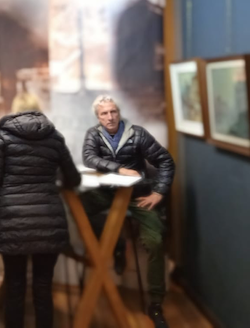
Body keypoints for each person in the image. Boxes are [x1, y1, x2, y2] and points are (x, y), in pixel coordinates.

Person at [82, 95, 175, 328]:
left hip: (136, 196)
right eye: (104, 113)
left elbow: (165, 161)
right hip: (107, 193)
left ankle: (156, 304)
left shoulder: (138, 134)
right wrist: (119, 169)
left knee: (155, 242)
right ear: (98, 117)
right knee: (80, 208)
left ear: (119, 112)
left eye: (113, 111)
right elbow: (89, 158)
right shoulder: (94, 134)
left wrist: (159, 192)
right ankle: (116, 245)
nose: (110, 117)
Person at [0, 111, 81, 328]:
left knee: (15, 285)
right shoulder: (55, 138)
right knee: (43, 286)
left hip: (12, 219)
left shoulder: (2, 138)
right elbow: (73, 178)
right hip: (48, 218)